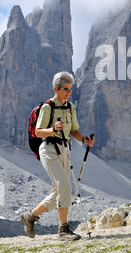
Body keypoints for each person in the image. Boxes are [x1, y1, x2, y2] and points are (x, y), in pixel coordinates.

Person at [21, 71, 94, 241]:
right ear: (56, 89)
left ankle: (30, 216)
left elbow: (73, 131)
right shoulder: (47, 107)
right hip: (48, 149)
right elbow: (38, 132)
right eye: (66, 89)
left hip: (64, 150)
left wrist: (84, 139)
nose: (69, 92)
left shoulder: (70, 107)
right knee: (65, 185)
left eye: (70, 89)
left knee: (58, 193)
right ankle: (63, 230)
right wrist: (53, 129)